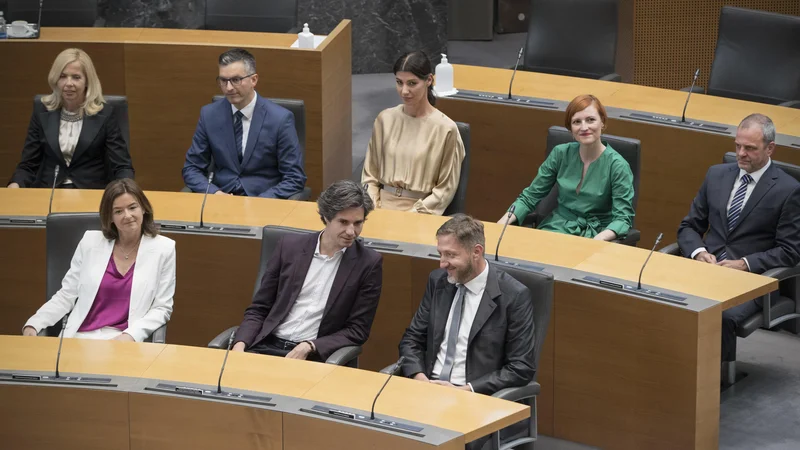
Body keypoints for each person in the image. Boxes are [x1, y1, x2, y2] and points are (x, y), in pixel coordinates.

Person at [677, 113, 800, 363]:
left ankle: (717, 380)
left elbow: (790, 251)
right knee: (662, 297)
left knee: (718, 314)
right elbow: (689, 226)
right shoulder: (716, 175)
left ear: (770, 149)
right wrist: (699, 252)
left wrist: (744, 263)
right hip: (706, 269)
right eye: (738, 146)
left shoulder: (788, 190)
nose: (741, 153)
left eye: (750, 148)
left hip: (751, 280)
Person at [232, 180, 383, 361]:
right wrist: (240, 345)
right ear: (327, 217)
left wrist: (309, 346)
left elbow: (357, 330)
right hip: (266, 345)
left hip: (313, 356)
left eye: (358, 223)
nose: (351, 231)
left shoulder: (368, 263)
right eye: (343, 222)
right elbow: (259, 308)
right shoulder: (289, 247)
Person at [22, 179, 175, 341]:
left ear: (143, 208)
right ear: (109, 217)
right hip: (80, 338)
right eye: (118, 211)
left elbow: (162, 308)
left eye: (132, 207)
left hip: (123, 341)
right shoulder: (90, 242)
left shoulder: (164, 249)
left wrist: (131, 335)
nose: (127, 216)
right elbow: (67, 294)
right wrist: (35, 323)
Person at [398, 214, 535, 395]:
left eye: (451, 255)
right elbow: (412, 339)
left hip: (473, 397)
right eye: (441, 254)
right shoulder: (438, 281)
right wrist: (419, 377)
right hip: (427, 388)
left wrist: (466, 390)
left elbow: (521, 367)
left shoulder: (514, 296)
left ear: (476, 252)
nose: (442, 264)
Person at [497, 94, 635, 240]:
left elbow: (623, 219)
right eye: (576, 122)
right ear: (570, 129)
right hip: (556, 228)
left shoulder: (618, 166)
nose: (584, 127)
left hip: (597, 235)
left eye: (590, 120)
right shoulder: (560, 154)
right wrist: (501, 224)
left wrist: (595, 243)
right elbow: (530, 197)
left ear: (602, 122)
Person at [182, 48, 307, 198]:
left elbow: (294, 178)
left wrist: (260, 201)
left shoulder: (280, 119)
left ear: (253, 80)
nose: (228, 88)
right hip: (221, 201)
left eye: (236, 80)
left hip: (263, 202)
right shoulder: (209, 115)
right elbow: (192, 168)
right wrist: (214, 193)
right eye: (223, 80)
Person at [8, 48, 134, 190]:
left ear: (87, 81)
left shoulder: (105, 114)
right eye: (62, 76)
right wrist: (15, 185)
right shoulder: (42, 112)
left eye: (76, 77)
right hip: (49, 192)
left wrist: (127, 191)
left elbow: (122, 166)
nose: (68, 83)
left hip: (90, 194)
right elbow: (28, 164)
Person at [361, 51, 465, 215]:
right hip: (378, 208)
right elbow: (370, 177)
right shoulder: (384, 119)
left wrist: (413, 214)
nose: (404, 91)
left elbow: (444, 190)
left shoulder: (446, 129)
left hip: (421, 211)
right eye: (399, 82)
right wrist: (373, 208)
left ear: (429, 80)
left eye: (411, 83)